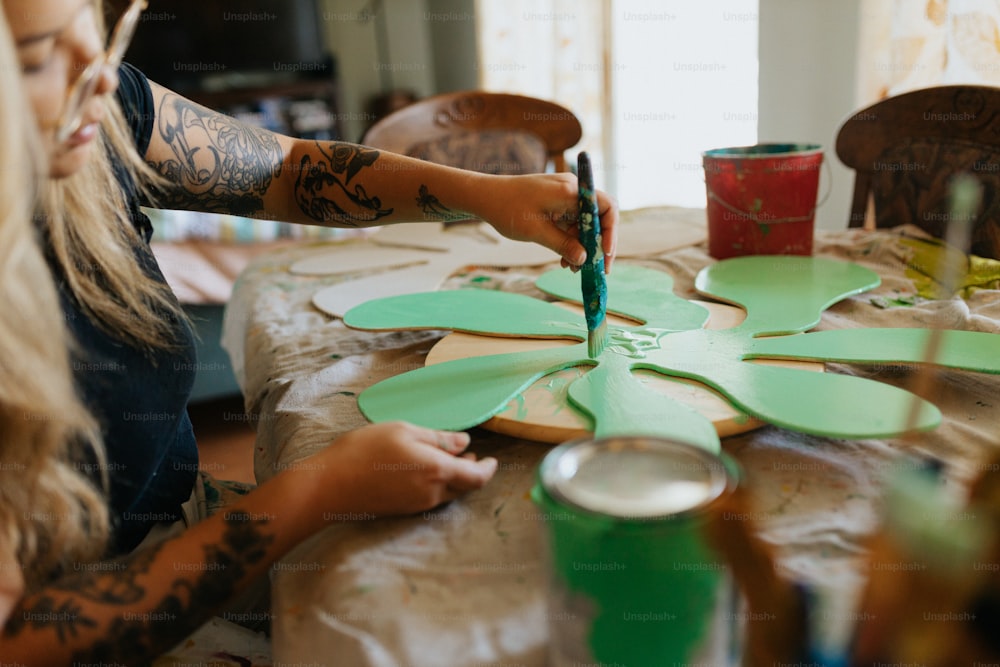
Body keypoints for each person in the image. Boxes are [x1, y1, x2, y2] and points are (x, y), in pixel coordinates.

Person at [0, 0, 619, 662]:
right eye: (36, 56)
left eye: (101, 28)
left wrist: (486, 194)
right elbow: (20, 639)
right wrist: (316, 489)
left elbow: (287, 170)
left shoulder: (103, 105)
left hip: (184, 524)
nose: (97, 71)